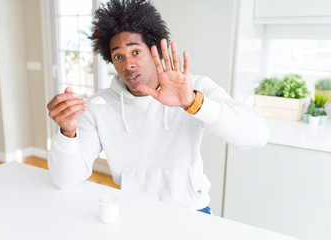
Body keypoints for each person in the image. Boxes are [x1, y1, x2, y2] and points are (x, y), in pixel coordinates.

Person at [47, 0, 268, 215]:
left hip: (191, 210)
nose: (128, 65)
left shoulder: (193, 88)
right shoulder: (99, 106)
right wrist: (68, 132)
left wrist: (193, 102)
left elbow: (256, 135)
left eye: (136, 52)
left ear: (155, 51)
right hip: (134, 211)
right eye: (118, 56)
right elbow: (65, 180)